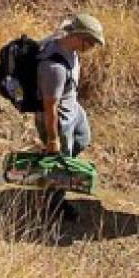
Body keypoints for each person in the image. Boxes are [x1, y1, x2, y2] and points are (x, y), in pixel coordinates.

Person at [33, 13, 105, 221]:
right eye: (90, 42)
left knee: (83, 139)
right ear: (78, 36)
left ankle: (51, 173)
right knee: (60, 164)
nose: (91, 47)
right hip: (59, 120)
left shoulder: (67, 45)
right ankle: (51, 207)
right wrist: (53, 138)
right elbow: (50, 107)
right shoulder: (54, 67)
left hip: (72, 109)